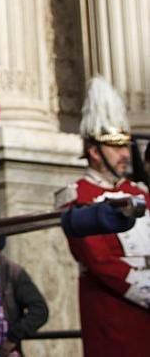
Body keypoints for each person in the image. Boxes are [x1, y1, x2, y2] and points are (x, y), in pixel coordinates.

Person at [55, 75, 150, 356]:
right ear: (94, 151)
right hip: (112, 309)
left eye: (125, 146)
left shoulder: (140, 192)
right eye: (116, 147)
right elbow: (99, 260)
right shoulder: (77, 195)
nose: (124, 154)